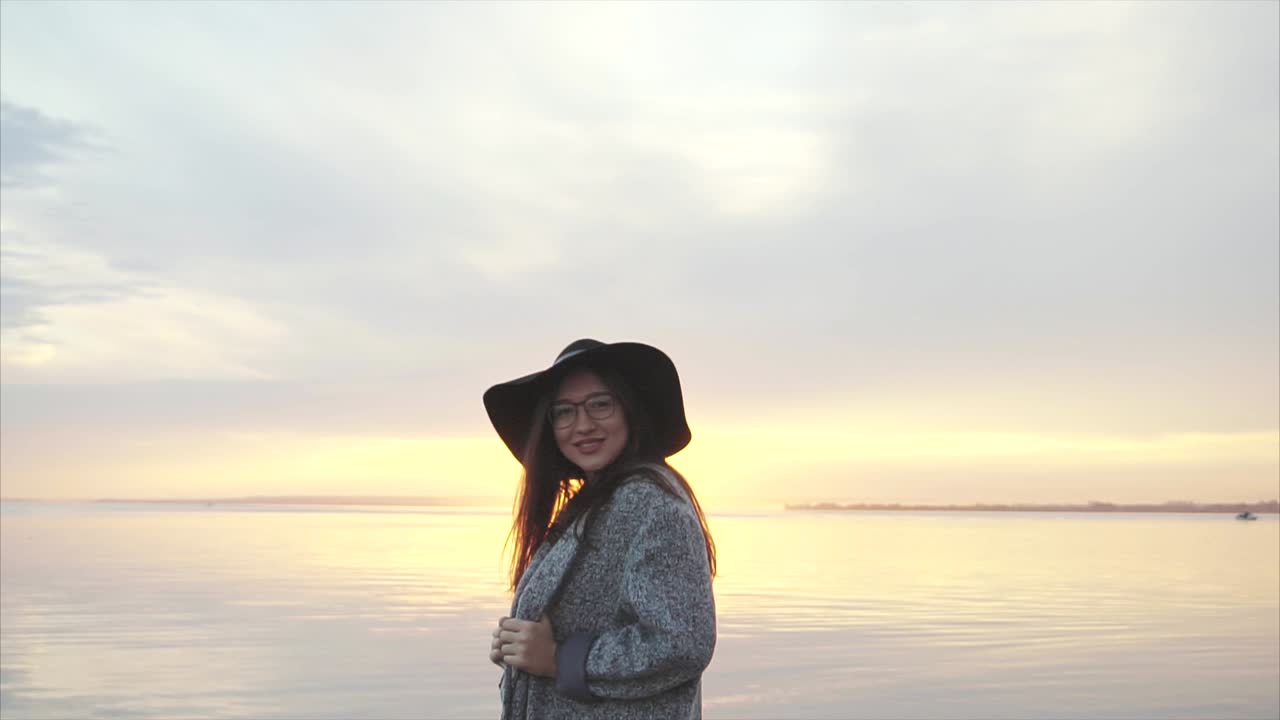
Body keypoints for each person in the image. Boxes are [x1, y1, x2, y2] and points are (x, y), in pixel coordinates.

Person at [483, 338, 717, 719]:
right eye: (564, 412)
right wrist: (519, 646)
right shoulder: (593, 504)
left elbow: (682, 643)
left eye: (600, 404)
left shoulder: (649, 503)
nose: (582, 425)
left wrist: (560, 660)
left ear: (630, 409)